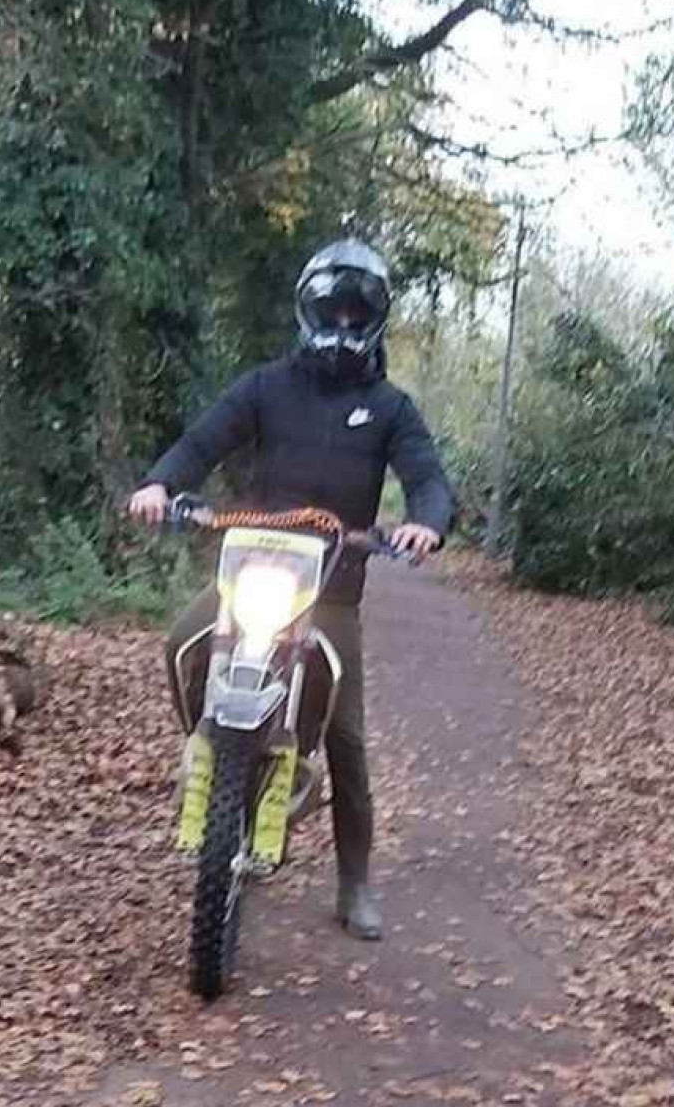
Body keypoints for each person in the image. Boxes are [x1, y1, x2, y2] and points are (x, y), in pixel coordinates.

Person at [129, 237, 453, 940]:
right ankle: (211, 750)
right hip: (250, 573)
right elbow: (202, 441)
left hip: (331, 590)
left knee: (345, 739)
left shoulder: (389, 407)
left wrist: (426, 523)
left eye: (354, 311)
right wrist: (161, 482)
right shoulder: (265, 386)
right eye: (329, 308)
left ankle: (354, 883)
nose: (340, 323)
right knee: (181, 639)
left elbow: (426, 476)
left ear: (372, 319)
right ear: (307, 309)